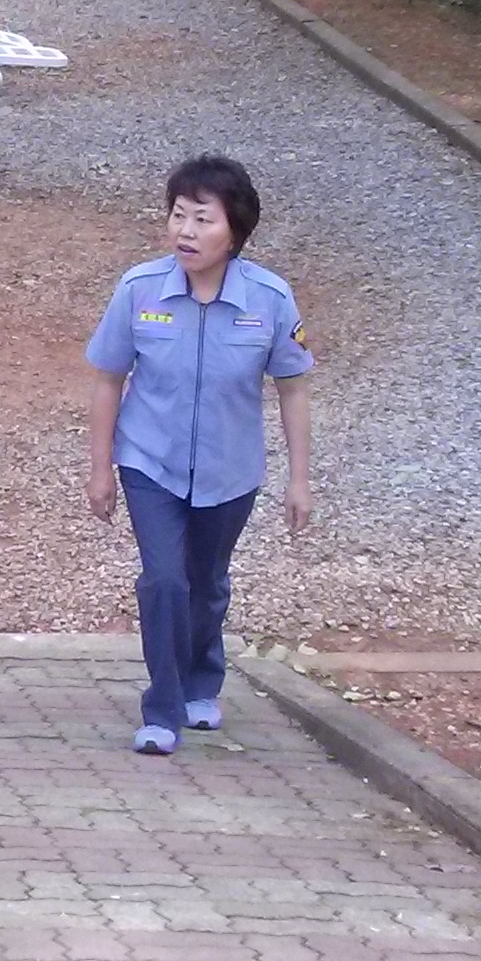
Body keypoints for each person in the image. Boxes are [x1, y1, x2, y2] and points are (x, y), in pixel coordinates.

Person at [85, 154, 314, 755]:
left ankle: (201, 682)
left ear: (234, 231)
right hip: (149, 462)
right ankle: (162, 710)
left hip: (229, 469)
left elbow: (293, 389)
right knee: (164, 579)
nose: (185, 231)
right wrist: (100, 468)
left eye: (202, 219)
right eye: (178, 215)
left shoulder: (269, 298)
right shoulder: (139, 290)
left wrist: (299, 479)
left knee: (206, 582)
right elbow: (107, 379)